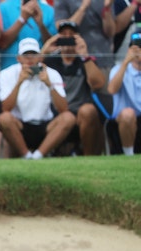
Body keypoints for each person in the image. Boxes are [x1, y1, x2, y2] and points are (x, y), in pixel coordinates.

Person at [0, 37, 75, 159]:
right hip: (20, 125)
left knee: (68, 118)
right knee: (4, 118)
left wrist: (49, 85)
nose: (29, 59)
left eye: (33, 54)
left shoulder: (51, 73)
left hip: (45, 125)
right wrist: (19, 83)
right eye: (26, 55)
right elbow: (6, 108)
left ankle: (38, 156)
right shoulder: (7, 74)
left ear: (39, 57)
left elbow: (63, 109)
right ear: (19, 58)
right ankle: (27, 155)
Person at [42, 20, 106, 156]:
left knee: (88, 111)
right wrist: (45, 50)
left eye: (71, 35)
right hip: (55, 115)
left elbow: (98, 84)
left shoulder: (85, 60)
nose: (67, 38)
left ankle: (88, 158)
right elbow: (31, 70)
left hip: (80, 116)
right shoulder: (50, 61)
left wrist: (85, 55)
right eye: (63, 35)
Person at [54, 0, 115, 71]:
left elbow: (111, 32)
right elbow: (62, 30)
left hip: (102, 59)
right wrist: (83, 7)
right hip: (74, 62)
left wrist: (106, 9)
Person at [107, 31, 141, 156]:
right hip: (124, 120)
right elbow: (112, 90)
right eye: (136, 47)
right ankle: (129, 155)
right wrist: (126, 62)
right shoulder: (118, 69)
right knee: (128, 114)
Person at [0, 0, 56, 70]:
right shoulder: (4, 8)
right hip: (10, 72)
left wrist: (41, 24)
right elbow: (3, 43)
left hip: (40, 72)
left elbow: (52, 46)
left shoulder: (49, 10)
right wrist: (22, 19)